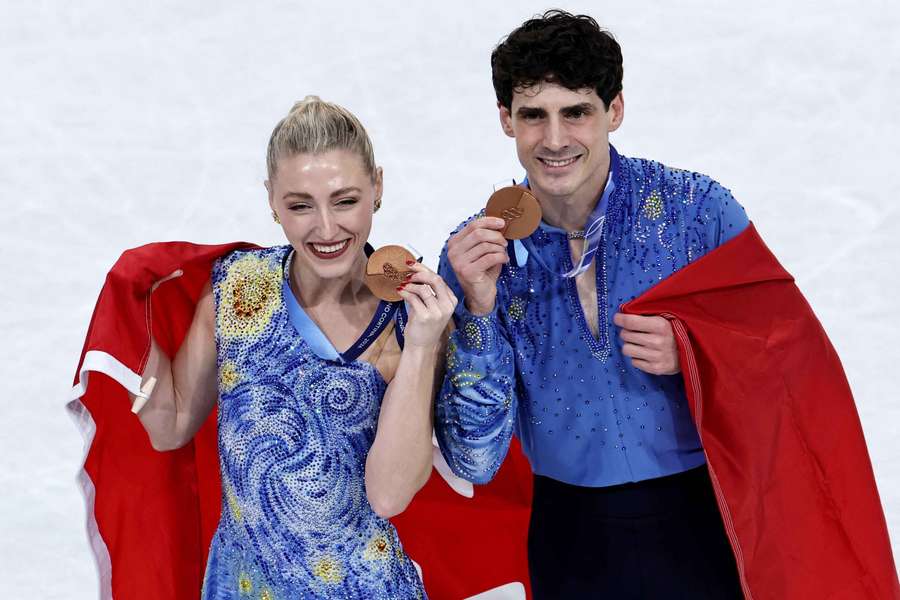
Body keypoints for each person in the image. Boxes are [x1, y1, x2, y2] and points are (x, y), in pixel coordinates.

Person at [434, 10, 893, 599]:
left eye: (576, 111)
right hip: (570, 539)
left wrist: (699, 354)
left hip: (702, 523)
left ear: (614, 110)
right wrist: (475, 312)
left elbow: (795, 367)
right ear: (506, 120)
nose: (554, 139)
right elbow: (475, 458)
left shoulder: (698, 213)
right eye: (533, 116)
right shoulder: (477, 257)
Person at [131, 96, 456, 598]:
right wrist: (131, 320)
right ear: (271, 199)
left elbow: (390, 495)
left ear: (378, 188)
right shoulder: (238, 289)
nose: (326, 229)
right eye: (300, 205)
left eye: (345, 200)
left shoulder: (410, 319)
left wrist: (420, 348)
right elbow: (170, 427)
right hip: (239, 587)